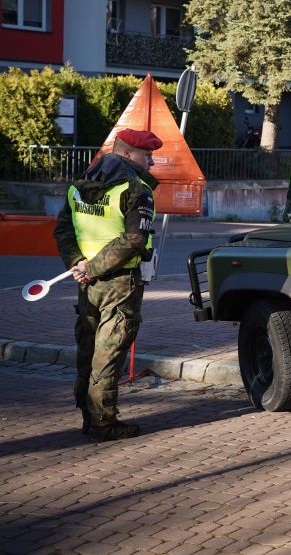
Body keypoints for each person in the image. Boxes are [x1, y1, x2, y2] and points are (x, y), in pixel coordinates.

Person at [53, 128, 162, 442]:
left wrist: (78, 264)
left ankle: (89, 418)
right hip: (119, 283)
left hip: (86, 283)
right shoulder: (136, 189)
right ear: (127, 153)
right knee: (108, 354)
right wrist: (92, 267)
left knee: (87, 351)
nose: (151, 162)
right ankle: (104, 424)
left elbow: (62, 229)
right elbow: (134, 239)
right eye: (147, 155)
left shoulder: (79, 185)